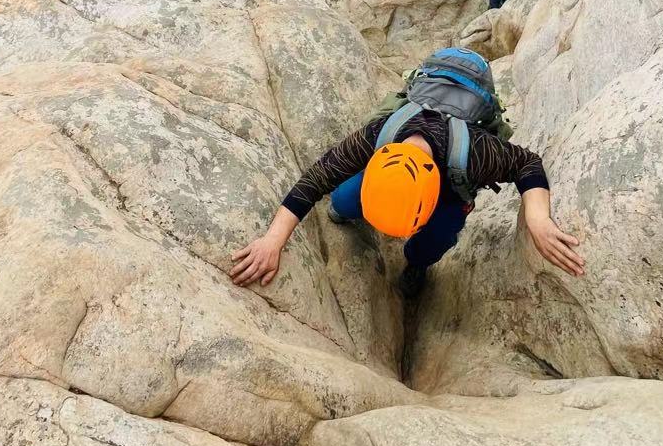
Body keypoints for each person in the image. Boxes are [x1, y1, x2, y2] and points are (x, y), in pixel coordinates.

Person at [231, 48, 585, 298]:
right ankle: (350, 208)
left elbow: (528, 164)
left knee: (439, 237)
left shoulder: (476, 152)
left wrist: (538, 220)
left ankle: (416, 263)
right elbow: (314, 180)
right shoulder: (378, 134)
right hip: (408, 157)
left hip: (450, 185)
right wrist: (271, 241)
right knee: (341, 199)